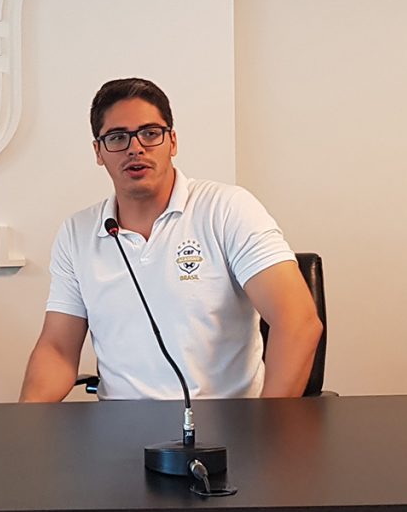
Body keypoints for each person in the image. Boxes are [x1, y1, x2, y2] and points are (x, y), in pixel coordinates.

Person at [20, 78, 321, 401]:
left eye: (150, 134)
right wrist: (26, 431)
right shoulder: (77, 232)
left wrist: (267, 432)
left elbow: (298, 322)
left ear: (172, 142)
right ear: (99, 152)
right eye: (118, 137)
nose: (136, 148)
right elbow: (57, 350)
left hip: (228, 431)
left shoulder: (227, 208)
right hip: (119, 433)